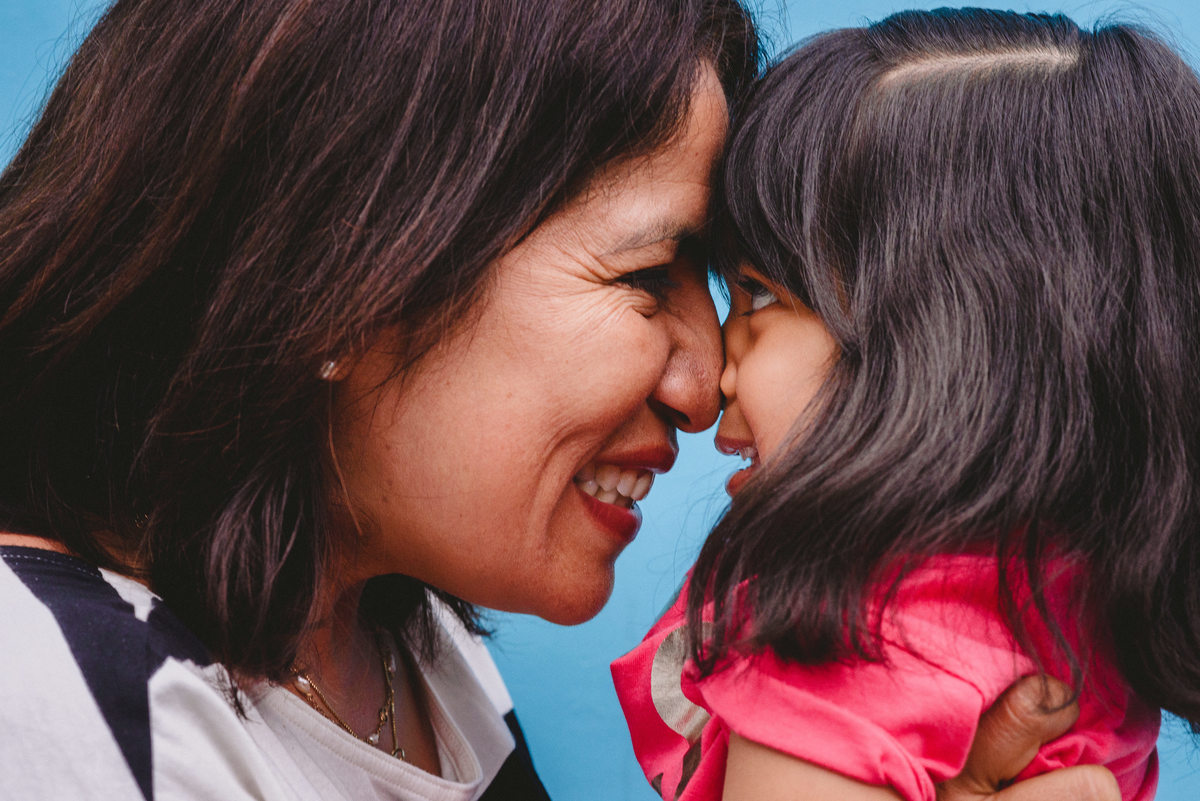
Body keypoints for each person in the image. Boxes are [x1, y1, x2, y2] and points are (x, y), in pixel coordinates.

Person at [0, 1, 1123, 800]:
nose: (701, 382)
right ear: (341, 285)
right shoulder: (47, 689)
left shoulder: (406, 644)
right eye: (646, 277)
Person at [613, 8, 1200, 801]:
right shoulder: (1083, 605)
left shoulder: (841, 638)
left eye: (756, 295)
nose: (717, 361)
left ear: (942, 344)